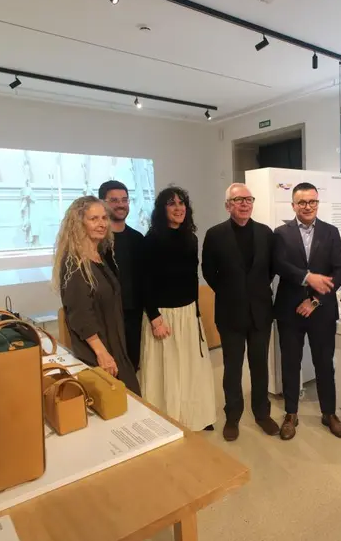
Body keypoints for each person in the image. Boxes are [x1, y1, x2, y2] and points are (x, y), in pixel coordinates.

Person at [201, 183, 280, 442]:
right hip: (230, 312)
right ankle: (232, 416)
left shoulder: (265, 233)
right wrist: (230, 290)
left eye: (248, 199)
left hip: (260, 312)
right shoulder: (215, 234)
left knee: (259, 366)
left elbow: (270, 270)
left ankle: (261, 413)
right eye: (238, 200)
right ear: (228, 205)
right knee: (232, 368)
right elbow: (208, 271)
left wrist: (253, 290)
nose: (244, 204)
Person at [273, 182, 341, 440]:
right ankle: (291, 413)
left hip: (321, 309)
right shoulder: (281, 233)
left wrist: (314, 300)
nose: (307, 206)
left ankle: (329, 413)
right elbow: (279, 265)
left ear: (318, 203)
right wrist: (308, 278)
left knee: (324, 363)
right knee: (290, 363)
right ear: (293, 205)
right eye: (302, 202)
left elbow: (339, 272)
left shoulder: (331, 232)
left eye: (312, 202)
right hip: (289, 310)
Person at [140, 186, 216, 432]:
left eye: (182, 203)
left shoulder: (191, 238)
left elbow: (192, 276)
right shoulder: (150, 240)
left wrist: (195, 313)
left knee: (191, 367)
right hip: (163, 314)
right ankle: (168, 420)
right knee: (168, 369)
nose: (178, 208)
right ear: (162, 210)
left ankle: (195, 416)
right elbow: (145, 281)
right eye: (172, 204)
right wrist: (154, 317)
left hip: (187, 312)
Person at [53, 196, 141, 395]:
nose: (102, 224)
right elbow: (80, 315)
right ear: (79, 223)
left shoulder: (99, 255)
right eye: (94, 219)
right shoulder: (74, 263)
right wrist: (102, 353)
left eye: (104, 218)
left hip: (114, 344)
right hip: (97, 353)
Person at [99, 180, 145, 371]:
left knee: (133, 367)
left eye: (124, 200)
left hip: (134, 316)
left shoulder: (137, 239)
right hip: (106, 319)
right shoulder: (97, 242)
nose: (120, 204)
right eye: (114, 200)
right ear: (102, 203)